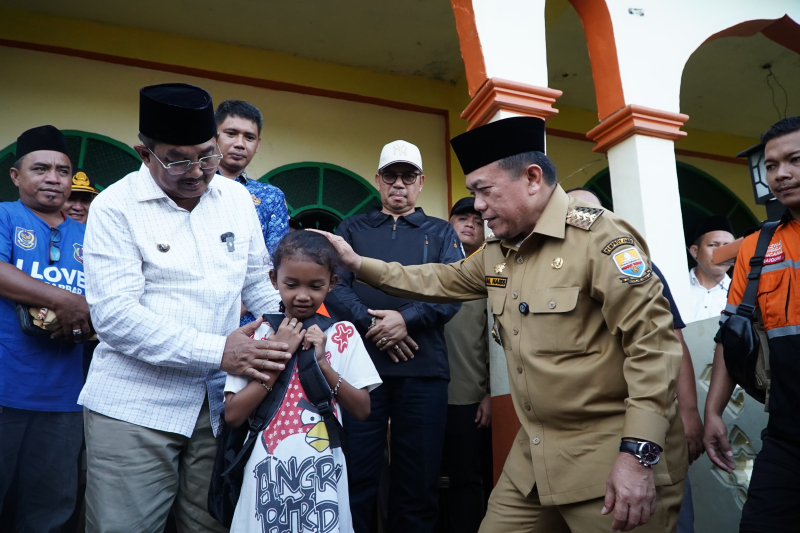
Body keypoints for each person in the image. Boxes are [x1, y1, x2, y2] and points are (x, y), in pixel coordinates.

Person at [315, 116, 688, 533]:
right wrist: (358, 264)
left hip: (609, 458)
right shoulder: (500, 251)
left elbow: (654, 348)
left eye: (483, 190)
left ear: (532, 179)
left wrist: (637, 454)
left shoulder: (600, 240)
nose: (476, 205)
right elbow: (442, 278)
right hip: (535, 456)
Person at [79, 83, 290, 532]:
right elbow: (115, 317)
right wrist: (220, 352)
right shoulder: (114, 207)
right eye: (177, 158)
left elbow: (258, 282)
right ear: (144, 153)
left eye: (207, 155)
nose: (196, 171)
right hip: (134, 407)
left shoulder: (235, 199)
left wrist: (294, 326)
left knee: (209, 524)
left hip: (218, 407)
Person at [324, 140, 463, 533]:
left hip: (423, 373)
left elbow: (454, 291)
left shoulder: (441, 232)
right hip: (360, 372)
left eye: (407, 176)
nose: (398, 184)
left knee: (417, 482)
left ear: (421, 183)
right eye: (390, 175)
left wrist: (407, 319)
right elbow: (335, 286)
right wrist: (376, 325)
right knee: (356, 475)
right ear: (378, 181)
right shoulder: (351, 227)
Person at [224, 230, 382, 532]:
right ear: (273, 279)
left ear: (332, 283)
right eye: (291, 284)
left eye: (316, 285)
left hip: (322, 472)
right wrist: (278, 355)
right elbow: (233, 415)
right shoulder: (255, 336)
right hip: (265, 470)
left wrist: (323, 363)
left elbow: (362, 409)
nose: (302, 295)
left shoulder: (342, 335)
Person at [567, 187, 703, 533]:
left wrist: (689, 412)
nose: (583, 219)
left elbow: (671, 340)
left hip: (647, 420)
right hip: (586, 431)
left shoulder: (632, 263)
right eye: (574, 211)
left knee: (664, 510)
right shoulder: (552, 270)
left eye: (591, 211)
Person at [703, 116, 800, 533]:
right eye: (772, 166)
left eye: (794, 160)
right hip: (786, 435)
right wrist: (713, 413)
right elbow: (732, 336)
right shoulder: (757, 248)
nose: (781, 174)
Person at [0, 125, 91, 531]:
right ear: (16, 175)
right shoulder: (4, 216)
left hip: (65, 399)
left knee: (49, 510)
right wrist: (64, 300)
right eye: (40, 168)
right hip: (5, 388)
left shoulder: (90, 236)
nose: (53, 178)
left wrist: (89, 320)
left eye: (62, 170)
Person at [442, 196, 492, 533]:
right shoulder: (431, 271)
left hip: (469, 399)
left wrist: (490, 393)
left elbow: (500, 343)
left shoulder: (493, 275)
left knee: (466, 479)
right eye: (462, 216)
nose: (470, 223)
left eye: (477, 217)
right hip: (423, 395)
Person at [687, 216, 735, 322]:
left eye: (728, 247)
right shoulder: (676, 287)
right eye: (713, 245)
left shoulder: (740, 293)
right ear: (694, 251)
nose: (721, 253)